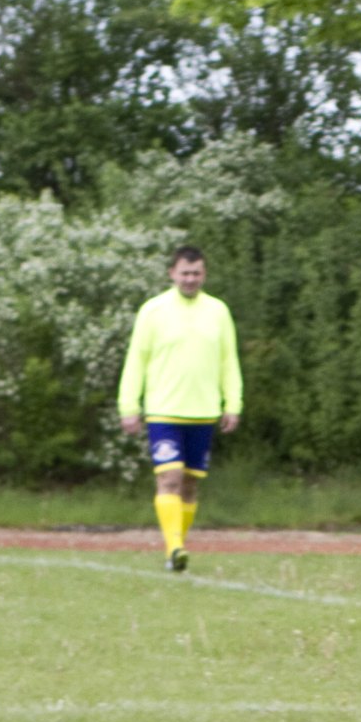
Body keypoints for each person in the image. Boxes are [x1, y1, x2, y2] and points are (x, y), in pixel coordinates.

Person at [118, 245, 242, 572]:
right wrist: (129, 404)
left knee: (189, 484)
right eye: (184, 273)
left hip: (203, 411)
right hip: (163, 410)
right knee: (169, 478)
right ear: (172, 273)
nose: (190, 279)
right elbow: (136, 361)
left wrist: (233, 403)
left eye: (196, 273)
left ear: (204, 274)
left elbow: (229, 360)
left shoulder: (218, 311)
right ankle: (174, 548)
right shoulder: (153, 311)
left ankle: (177, 550)